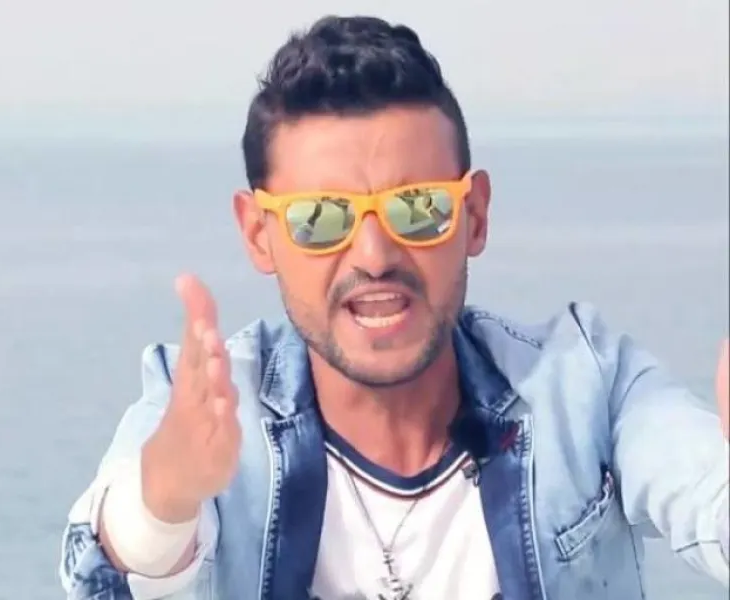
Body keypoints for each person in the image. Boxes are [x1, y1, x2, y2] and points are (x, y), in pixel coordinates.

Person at [58, 14, 730, 600]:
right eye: (320, 218)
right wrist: (167, 497)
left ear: (474, 216)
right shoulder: (205, 405)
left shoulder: (585, 387)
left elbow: (706, 496)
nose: (375, 255)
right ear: (259, 234)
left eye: (419, 208)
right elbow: (107, 563)